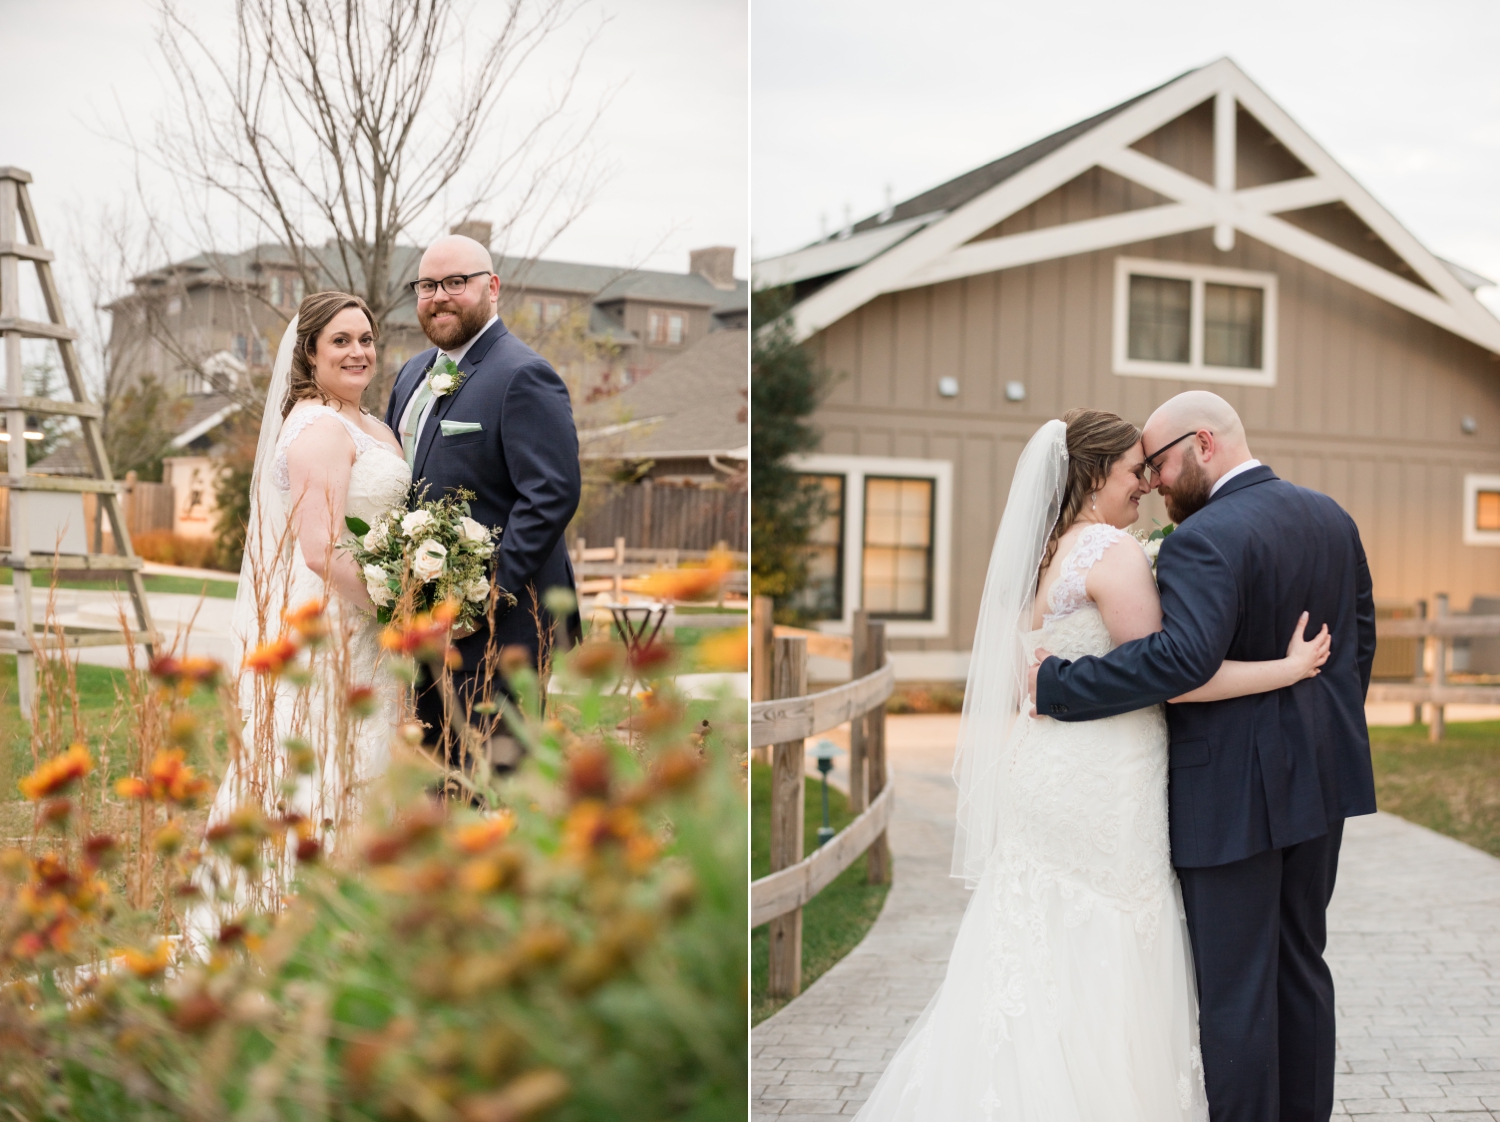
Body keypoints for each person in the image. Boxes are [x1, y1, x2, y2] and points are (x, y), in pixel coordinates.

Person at [853, 408, 1334, 1121]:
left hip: (1046, 768)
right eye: (1134, 469)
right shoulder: (1113, 552)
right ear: (1094, 473)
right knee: (1107, 936)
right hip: (1106, 777)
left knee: (1038, 936)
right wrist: (1285, 670)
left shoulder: (1045, 551)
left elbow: (1038, 668)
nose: (1145, 483)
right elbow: (1176, 673)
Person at [1029, 392, 1377, 1122]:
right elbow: (1358, 644)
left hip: (1226, 794)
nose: (1154, 481)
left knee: (1236, 988)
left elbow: (1180, 660)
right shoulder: (1332, 518)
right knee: (1301, 966)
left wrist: (1060, 684)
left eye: (1157, 461)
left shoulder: (1205, 535)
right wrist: (1316, 729)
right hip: (1320, 782)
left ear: (1204, 445)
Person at [192, 292, 411, 936]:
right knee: (323, 766)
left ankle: (357, 926)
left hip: (371, 631)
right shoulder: (318, 427)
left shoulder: (373, 425)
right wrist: (397, 608)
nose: (358, 351)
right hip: (337, 631)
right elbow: (320, 551)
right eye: (340, 341)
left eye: (365, 339)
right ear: (309, 353)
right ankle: (289, 926)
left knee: (368, 767)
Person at [384, 235, 581, 771]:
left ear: (491, 288)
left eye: (455, 283)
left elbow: (551, 493)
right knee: (433, 782)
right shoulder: (411, 374)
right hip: (424, 624)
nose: (439, 296)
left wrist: (484, 600)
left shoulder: (523, 375)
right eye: (427, 285)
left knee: (491, 787)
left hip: (498, 632)